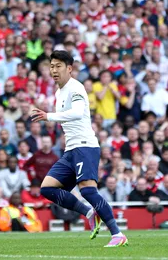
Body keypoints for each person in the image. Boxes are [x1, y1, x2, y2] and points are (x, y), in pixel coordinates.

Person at [31, 50, 128, 247]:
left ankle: (117, 234)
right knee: (47, 188)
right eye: (52, 66)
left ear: (69, 68)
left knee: (88, 191)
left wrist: (49, 116)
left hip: (85, 146)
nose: (54, 70)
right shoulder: (59, 92)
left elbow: (77, 113)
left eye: (58, 66)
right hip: (71, 149)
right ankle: (89, 212)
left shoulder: (76, 87)